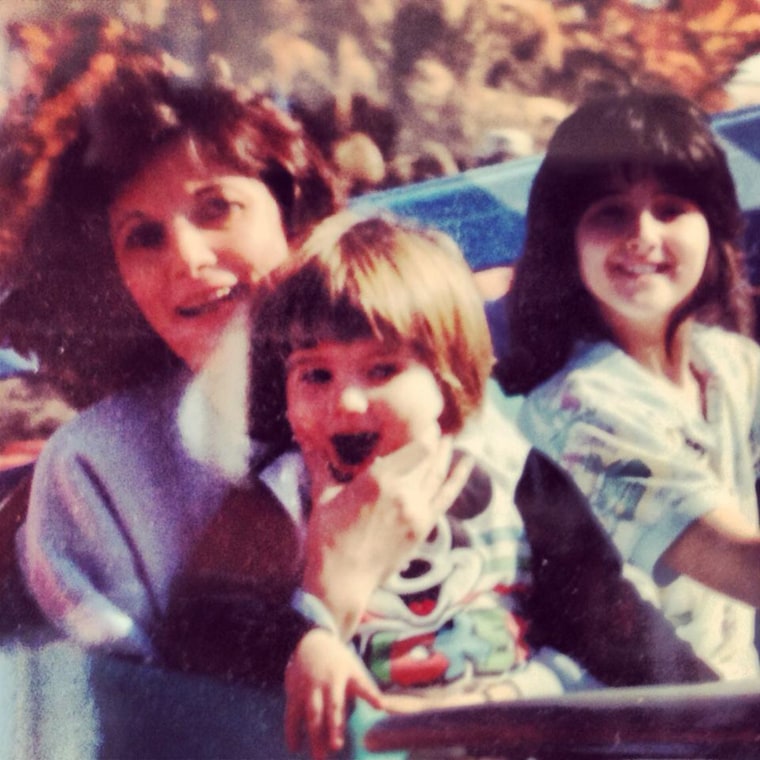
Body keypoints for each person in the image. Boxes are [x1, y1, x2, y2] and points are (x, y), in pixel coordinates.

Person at [248, 211, 716, 759]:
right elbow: (226, 634)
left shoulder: (512, 476)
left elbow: (613, 623)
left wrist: (718, 719)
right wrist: (310, 635)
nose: (346, 402)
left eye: (381, 371)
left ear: (447, 378)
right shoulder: (281, 499)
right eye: (315, 374)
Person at [0, 14, 341, 661]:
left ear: (292, 216)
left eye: (218, 209)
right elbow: (142, 726)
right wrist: (330, 595)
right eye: (143, 236)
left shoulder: (412, 378)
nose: (186, 256)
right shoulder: (95, 470)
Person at [499, 88, 760, 680]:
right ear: (567, 242)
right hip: (640, 727)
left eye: (671, 208)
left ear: (714, 226)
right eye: (610, 212)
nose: (642, 234)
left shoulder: (733, 366)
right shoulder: (577, 408)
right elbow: (739, 561)